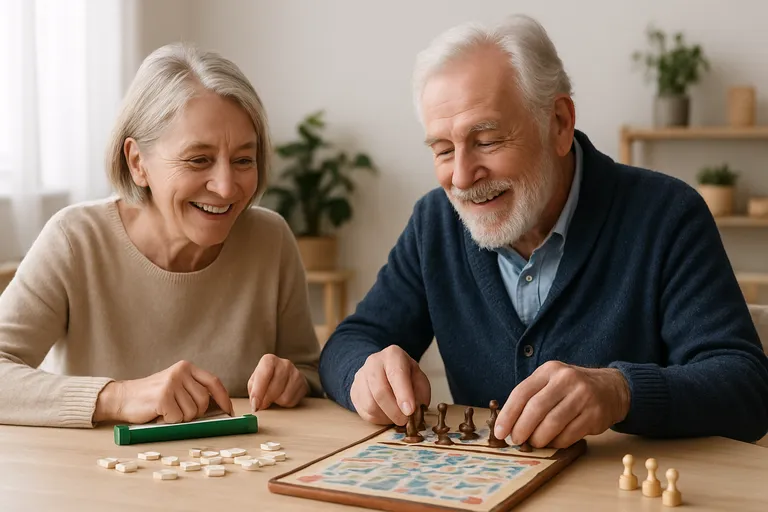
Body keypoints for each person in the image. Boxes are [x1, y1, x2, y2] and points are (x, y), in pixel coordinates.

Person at [319, 15, 768, 446]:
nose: (460, 177)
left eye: (488, 140)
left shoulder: (667, 215)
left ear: (558, 123)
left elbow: (747, 386)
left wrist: (620, 392)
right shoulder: (434, 222)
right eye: (442, 149)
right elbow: (349, 341)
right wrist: (364, 372)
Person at [0, 43, 322, 428]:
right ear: (137, 163)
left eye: (243, 160)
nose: (226, 187)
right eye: (198, 159)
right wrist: (117, 397)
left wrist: (294, 380)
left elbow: (308, 372)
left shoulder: (271, 240)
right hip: (94, 481)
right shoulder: (75, 240)